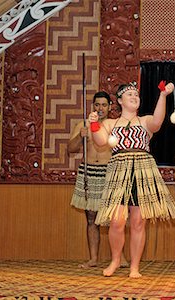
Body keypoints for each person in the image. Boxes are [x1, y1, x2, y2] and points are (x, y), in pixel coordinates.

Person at [88, 82, 175, 278]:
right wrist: (94, 124)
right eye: (129, 94)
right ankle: (115, 260)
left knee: (138, 222)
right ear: (120, 101)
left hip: (141, 170)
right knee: (116, 221)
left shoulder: (144, 121)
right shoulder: (110, 124)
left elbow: (157, 122)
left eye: (136, 94)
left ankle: (135, 267)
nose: (134, 96)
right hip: (119, 171)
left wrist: (163, 95)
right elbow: (100, 141)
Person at [69, 91, 128, 268]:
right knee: (91, 218)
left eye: (103, 105)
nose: (100, 108)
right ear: (93, 106)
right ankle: (94, 259)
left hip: (109, 172)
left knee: (115, 218)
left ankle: (120, 257)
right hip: (88, 171)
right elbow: (70, 149)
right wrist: (81, 135)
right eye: (97, 105)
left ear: (110, 107)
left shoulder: (115, 125)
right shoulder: (83, 124)